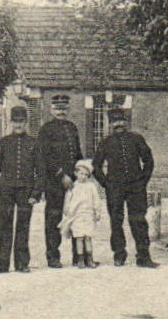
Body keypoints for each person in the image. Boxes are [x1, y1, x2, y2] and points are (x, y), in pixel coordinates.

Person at [93, 108, 157, 268]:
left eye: (121, 121)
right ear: (110, 124)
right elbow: (96, 165)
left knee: (139, 220)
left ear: (126, 122)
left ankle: (143, 256)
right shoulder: (105, 143)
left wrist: (143, 180)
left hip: (136, 186)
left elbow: (148, 161)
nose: (118, 124)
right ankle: (119, 254)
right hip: (114, 187)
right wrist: (106, 183)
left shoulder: (136, 139)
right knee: (116, 220)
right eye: (115, 121)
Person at [0, 105, 41, 273]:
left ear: (26, 123)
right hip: (6, 191)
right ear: (11, 122)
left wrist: (36, 194)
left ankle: (22, 263)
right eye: (16, 121)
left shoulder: (34, 143)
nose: (18, 125)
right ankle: (3, 264)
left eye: (22, 122)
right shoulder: (3, 143)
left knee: (23, 226)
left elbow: (41, 171)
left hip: (26, 190)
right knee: (4, 226)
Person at [36, 94, 82, 268]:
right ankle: (53, 256)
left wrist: (81, 171)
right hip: (55, 181)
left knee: (76, 216)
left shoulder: (72, 128)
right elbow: (45, 156)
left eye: (64, 108)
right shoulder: (46, 129)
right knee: (54, 218)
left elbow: (77, 153)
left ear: (68, 109)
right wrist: (61, 175)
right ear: (51, 110)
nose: (61, 111)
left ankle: (78, 256)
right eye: (58, 108)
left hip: (74, 181)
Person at [60, 158, 105, 268]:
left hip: (88, 215)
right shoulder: (73, 186)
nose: (83, 176)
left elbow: (96, 200)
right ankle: (80, 260)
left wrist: (97, 211)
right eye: (81, 173)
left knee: (88, 237)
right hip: (77, 215)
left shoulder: (91, 186)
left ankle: (89, 259)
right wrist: (67, 212)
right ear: (75, 173)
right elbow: (68, 200)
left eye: (86, 174)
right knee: (79, 237)